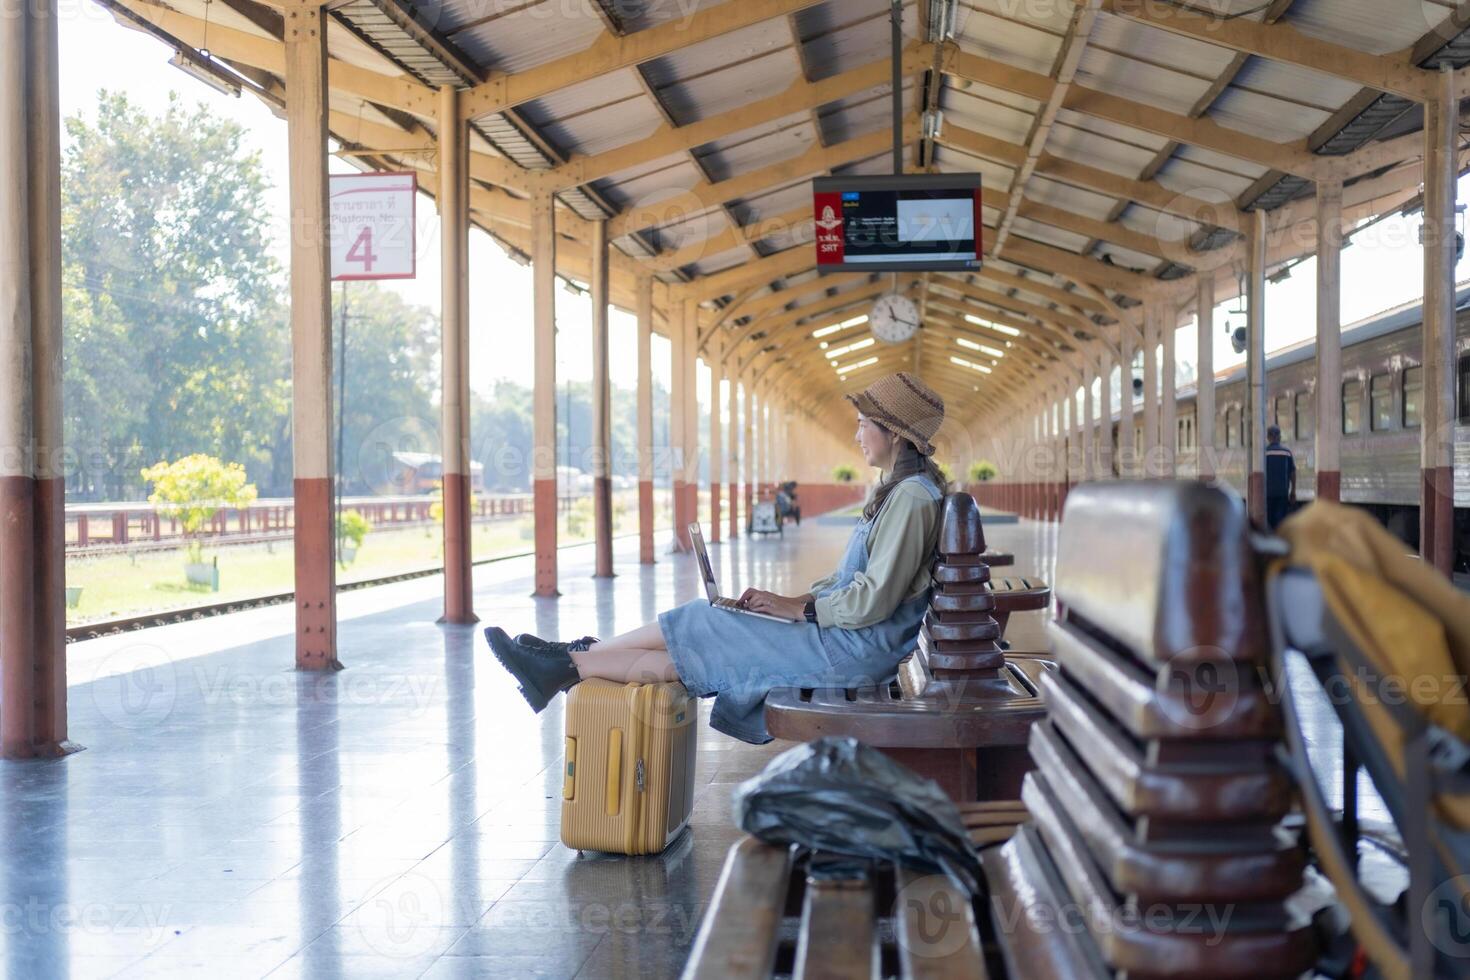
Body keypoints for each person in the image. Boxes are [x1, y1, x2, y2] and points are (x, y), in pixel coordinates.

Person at [485, 372, 951, 744]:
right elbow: (854, 584)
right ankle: (566, 663)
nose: (857, 434)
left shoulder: (911, 497)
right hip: (845, 638)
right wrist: (791, 601)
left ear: (893, 433)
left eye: (864, 424)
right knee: (705, 636)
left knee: (705, 622)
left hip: (853, 651)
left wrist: (801, 610)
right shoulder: (901, 491)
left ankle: (568, 656)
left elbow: (874, 600)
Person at [1264, 423, 1296, 530]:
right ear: (1279, 437)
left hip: (1267, 494)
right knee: (1281, 520)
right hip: (1282, 493)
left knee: (1269, 521)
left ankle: (1271, 541)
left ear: (1268, 437)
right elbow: (1292, 473)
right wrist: (1293, 491)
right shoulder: (1286, 453)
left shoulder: (1263, 453)